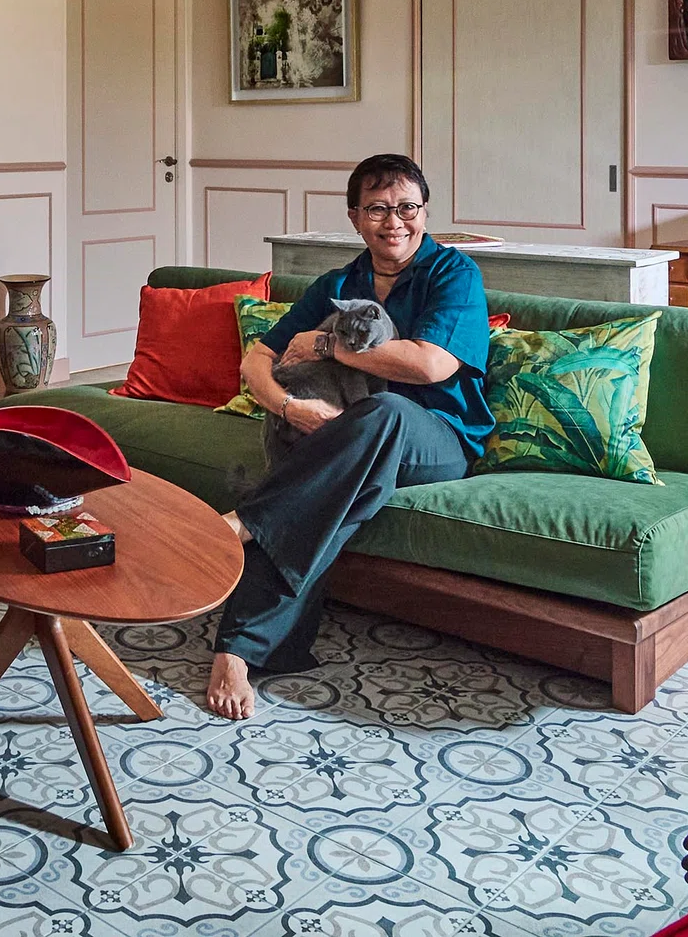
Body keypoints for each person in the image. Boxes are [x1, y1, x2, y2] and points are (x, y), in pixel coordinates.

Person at [206, 154, 494, 719]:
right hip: (350, 442)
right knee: (328, 485)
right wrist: (289, 407)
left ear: (425, 212)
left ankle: (243, 524)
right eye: (379, 209)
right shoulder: (337, 284)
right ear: (355, 218)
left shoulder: (453, 274)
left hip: (439, 440)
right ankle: (238, 651)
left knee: (383, 411)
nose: (395, 222)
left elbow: (432, 365)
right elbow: (258, 361)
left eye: (407, 208)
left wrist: (326, 346)